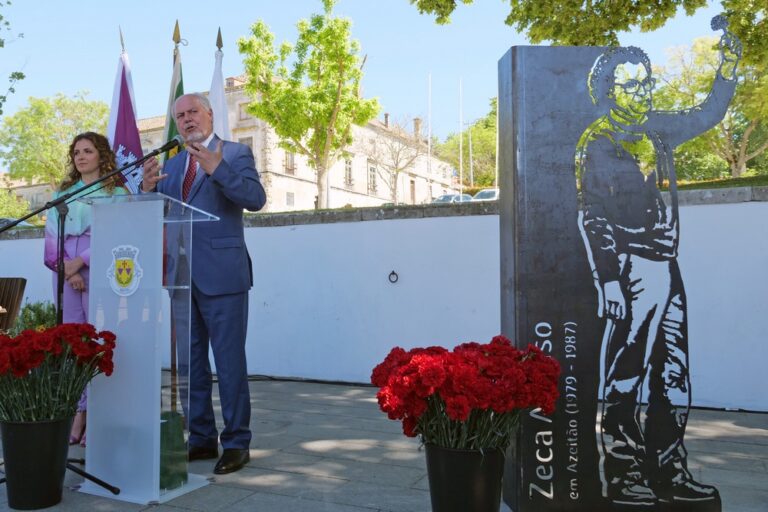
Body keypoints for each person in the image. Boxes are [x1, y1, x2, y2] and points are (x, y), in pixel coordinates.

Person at [575, 17, 740, 508]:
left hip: (668, 267)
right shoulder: (596, 144)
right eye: (631, 85)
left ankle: (669, 471)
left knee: (673, 372)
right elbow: (593, 217)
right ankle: (624, 476)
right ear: (607, 90)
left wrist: (727, 68)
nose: (644, 91)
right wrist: (608, 279)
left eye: (647, 81)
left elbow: (708, 112)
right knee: (626, 371)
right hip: (631, 269)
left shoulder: (659, 128)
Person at [142, 92, 266, 475]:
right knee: (190, 364)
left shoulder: (233, 154)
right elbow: (161, 215)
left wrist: (217, 169)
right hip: (180, 277)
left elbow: (255, 199)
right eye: (180, 115)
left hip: (223, 276)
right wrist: (147, 191)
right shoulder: (174, 165)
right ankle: (200, 438)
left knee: (229, 364)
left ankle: (236, 442)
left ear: (210, 115)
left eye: (193, 111)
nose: (186, 119)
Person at [44, 131, 128, 446]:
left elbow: (119, 235)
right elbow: (51, 241)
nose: (80, 156)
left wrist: (81, 261)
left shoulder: (117, 194)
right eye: (76, 152)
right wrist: (69, 269)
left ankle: (101, 413)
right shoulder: (63, 194)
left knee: (98, 341)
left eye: (88, 151)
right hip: (66, 274)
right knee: (73, 343)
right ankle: (78, 413)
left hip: (101, 268)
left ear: (101, 155)